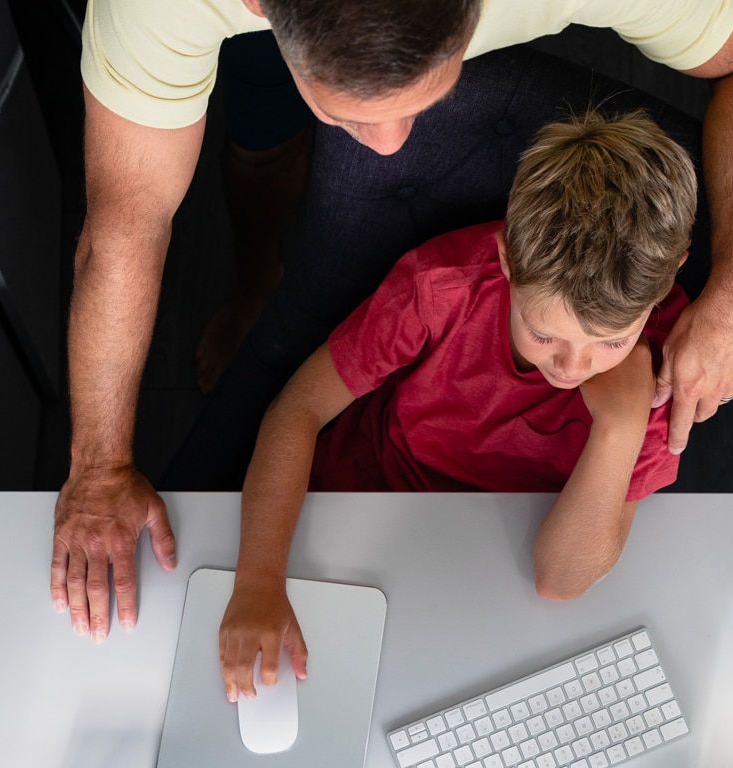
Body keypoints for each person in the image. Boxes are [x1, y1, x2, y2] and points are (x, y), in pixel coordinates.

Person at [52, 0, 733, 644]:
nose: (391, 148)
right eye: (347, 114)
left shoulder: (640, 381)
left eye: (424, 96)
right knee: (259, 148)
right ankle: (258, 278)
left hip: (487, 582)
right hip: (348, 514)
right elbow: (124, 228)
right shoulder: (447, 287)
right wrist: (98, 470)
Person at [217, 111, 697, 699]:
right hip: (363, 506)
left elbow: (560, 581)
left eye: (611, 341)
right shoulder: (442, 287)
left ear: (668, 277)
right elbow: (298, 410)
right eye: (543, 334)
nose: (571, 369)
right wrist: (260, 579)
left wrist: (620, 428)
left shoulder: (667, 367)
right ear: (506, 260)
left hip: (507, 565)